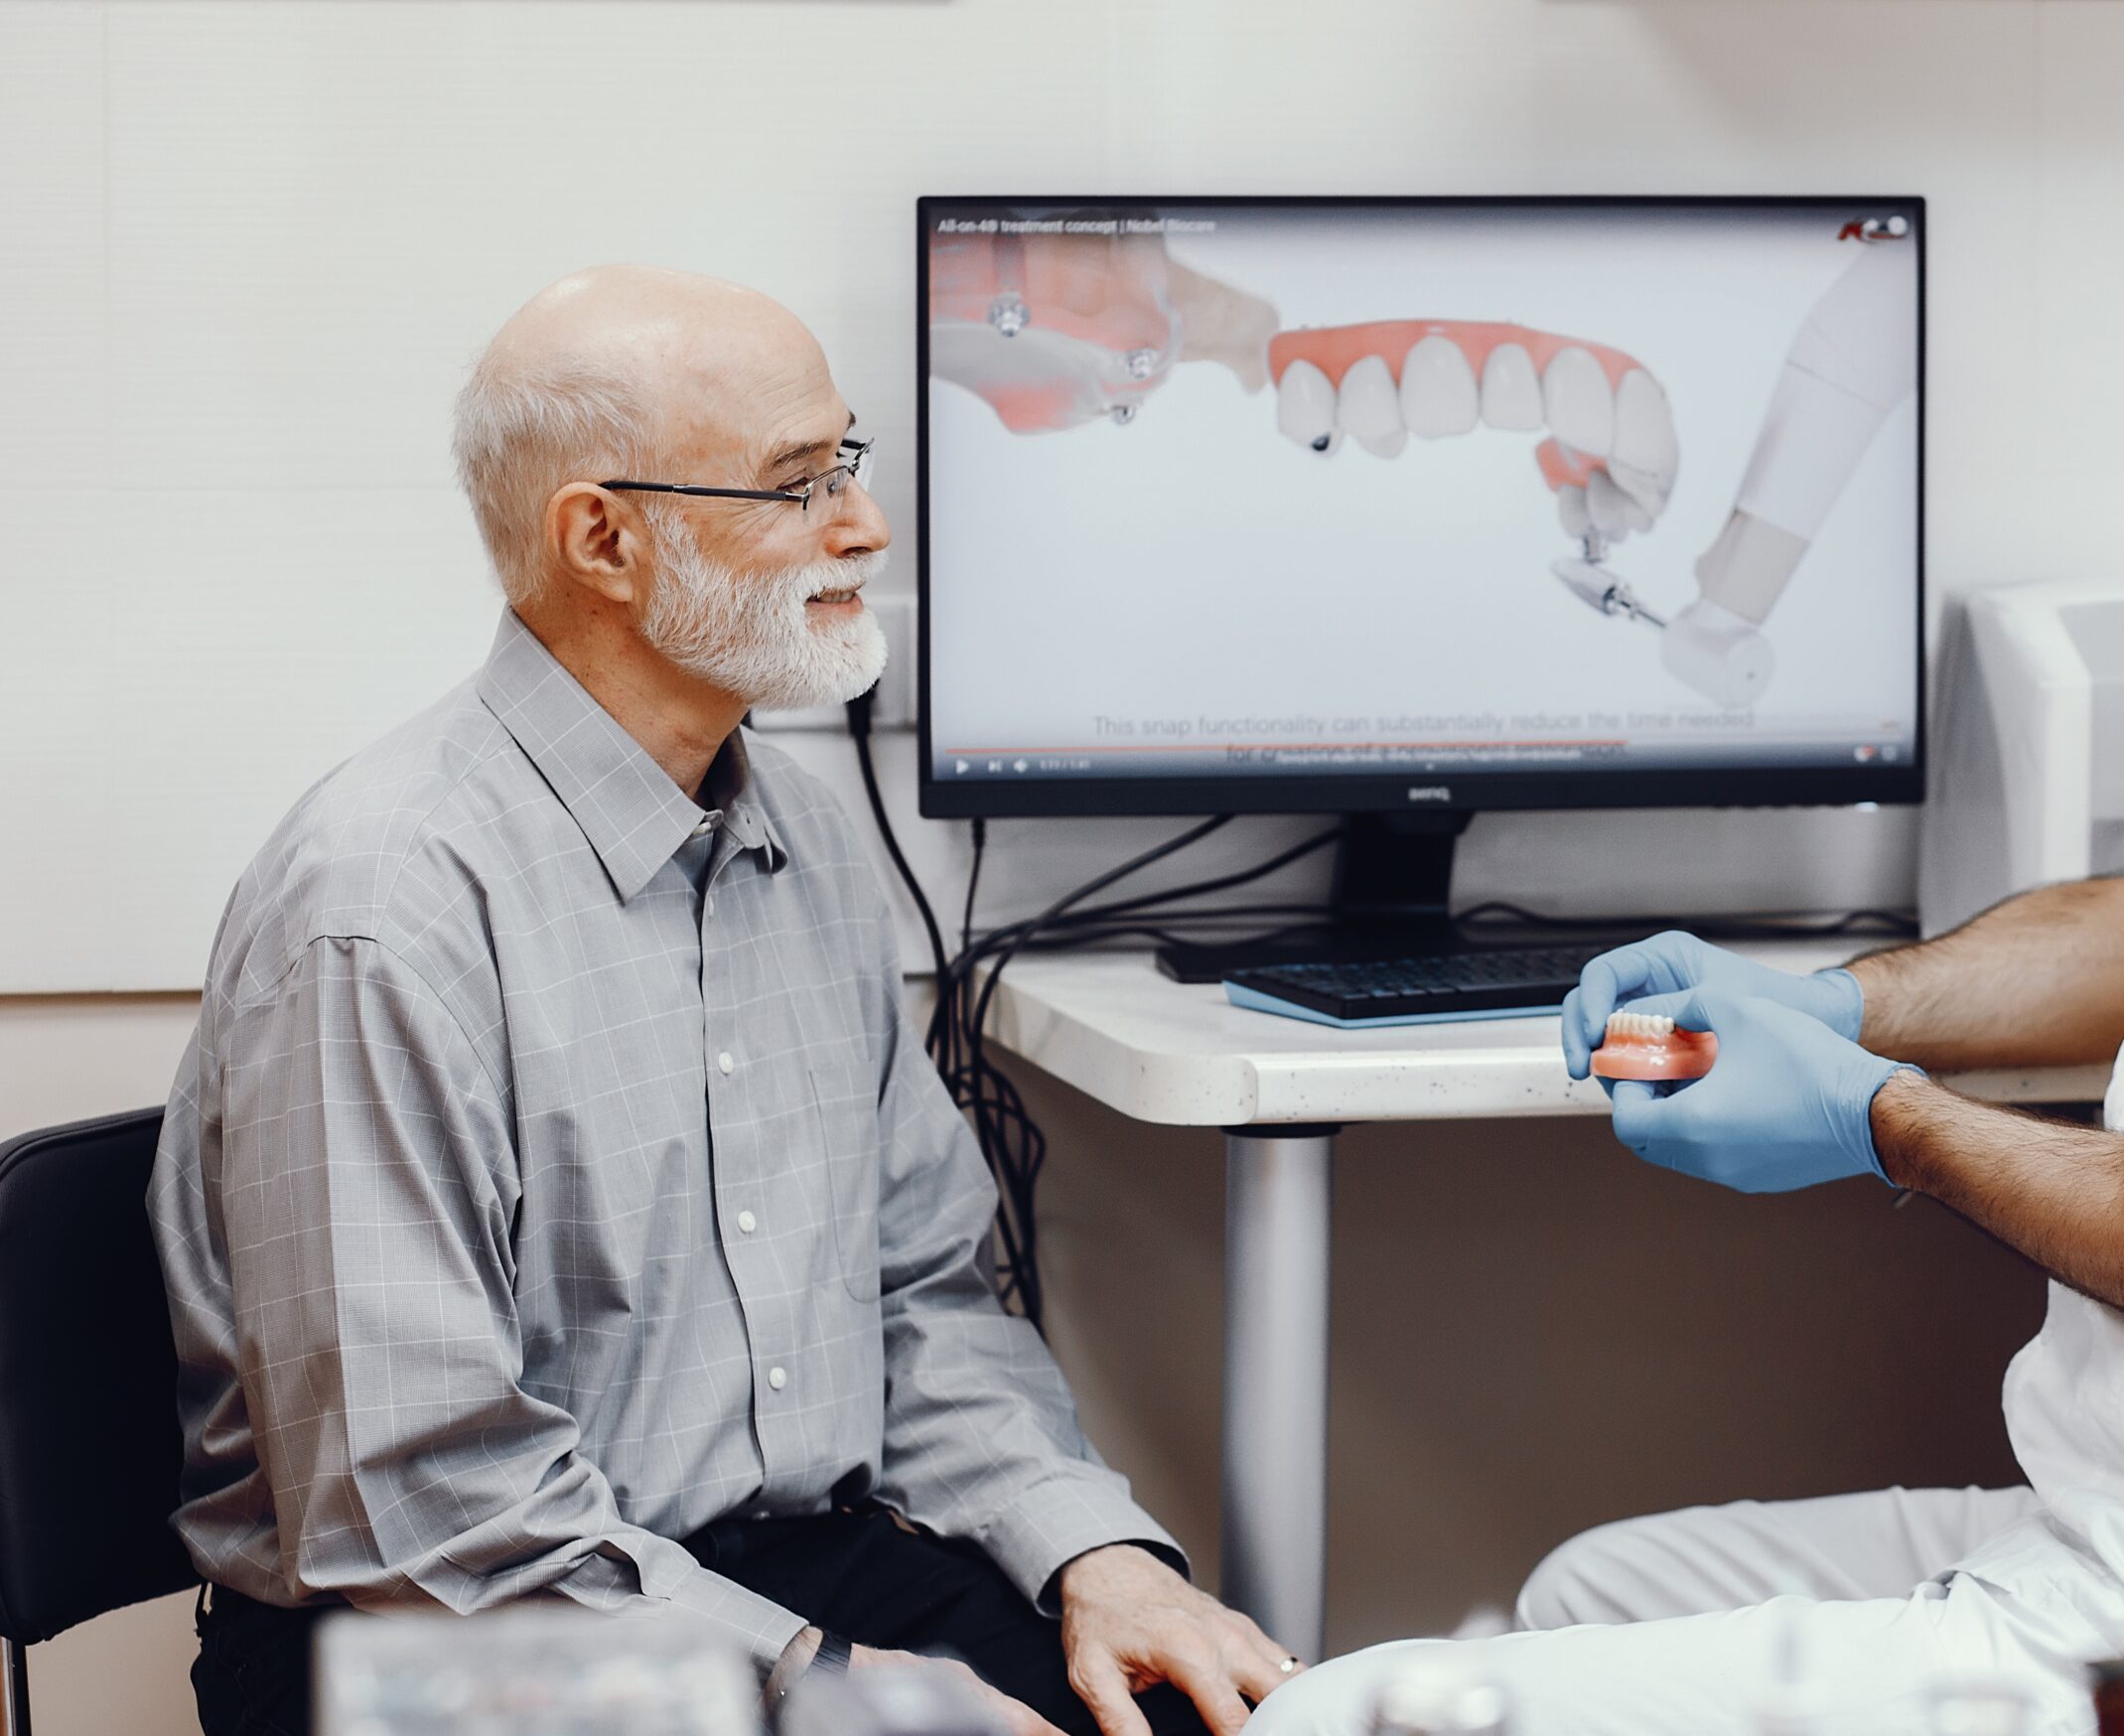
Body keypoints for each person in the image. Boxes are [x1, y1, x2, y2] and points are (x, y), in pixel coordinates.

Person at [148, 265, 1294, 1736]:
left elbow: (922, 1302)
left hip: (781, 1575)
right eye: (797, 485)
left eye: (849, 465)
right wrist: (809, 1690)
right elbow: (416, 1504)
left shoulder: (807, 846)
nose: (866, 529)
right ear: (605, 539)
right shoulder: (383, 907)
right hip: (443, 1630)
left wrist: (1094, 1553)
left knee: (1194, 1719)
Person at [1249, 815, 2124, 1735]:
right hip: (2118, 1496)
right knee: (1587, 1591)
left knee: (1330, 1720)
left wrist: (1886, 1121)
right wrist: (1836, 1003)